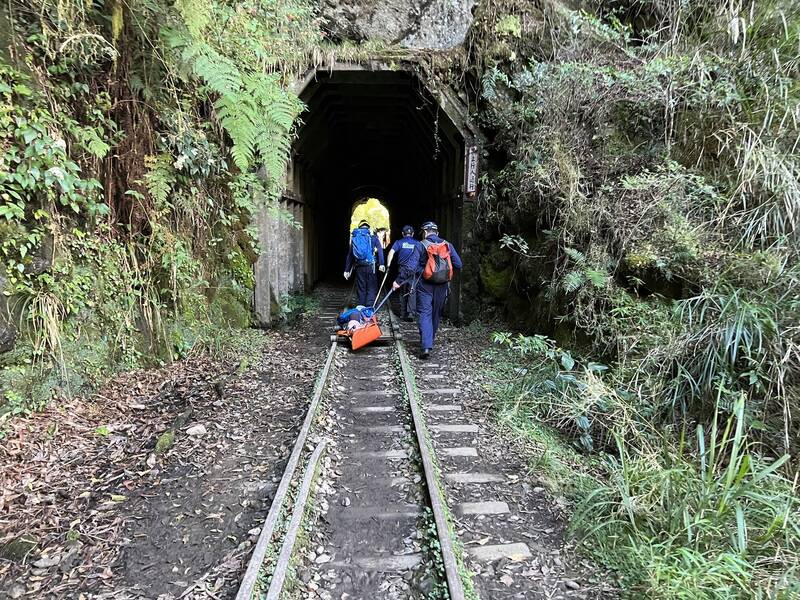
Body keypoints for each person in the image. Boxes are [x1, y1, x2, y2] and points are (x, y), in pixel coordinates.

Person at [414, 221, 462, 359]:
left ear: (424, 232)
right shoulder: (447, 245)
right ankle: (429, 341)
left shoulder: (421, 245)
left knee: (424, 313)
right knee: (435, 314)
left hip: (425, 285)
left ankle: (426, 346)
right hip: (442, 285)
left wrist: (422, 271)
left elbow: (412, 266)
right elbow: (458, 264)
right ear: (437, 232)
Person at [344, 220, 385, 307]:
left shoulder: (355, 238)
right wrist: (381, 264)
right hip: (371, 267)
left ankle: (361, 307)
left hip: (359, 267)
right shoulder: (373, 238)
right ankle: (369, 307)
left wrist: (347, 270)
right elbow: (380, 250)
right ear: (368, 228)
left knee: (361, 288)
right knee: (371, 288)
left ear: (359, 228)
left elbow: (350, 255)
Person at [389, 225, 425, 321]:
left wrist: (388, 265)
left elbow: (391, 252)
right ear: (412, 234)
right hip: (414, 270)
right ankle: (411, 313)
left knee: (402, 291)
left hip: (402, 270)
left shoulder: (399, 242)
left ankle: (402, 313)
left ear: (402, 234)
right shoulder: (418, 243)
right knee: (412, 290)